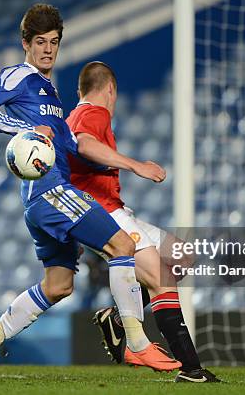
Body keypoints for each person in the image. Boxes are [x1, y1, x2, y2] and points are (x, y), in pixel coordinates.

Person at [0, 4, 180, 382]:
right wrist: (24, 131)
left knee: (59, 285)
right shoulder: (20, 75)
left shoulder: (50, 92)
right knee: (123, 246)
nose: (48, 50)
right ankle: (136, 342)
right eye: (41, 42)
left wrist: (123, 165)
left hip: (41, 198)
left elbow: (68, 145)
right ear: (26, 44)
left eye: (55, 42)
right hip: (49, 191)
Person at [66, 61, 220, 383]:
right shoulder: (93, 113)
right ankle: (191, 369)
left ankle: (119, 322)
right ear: (111, 89)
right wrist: (137, 166)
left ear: (79, 89)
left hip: (111, 209)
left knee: (179, 256)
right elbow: (85, 145)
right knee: (161, 275)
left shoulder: (76, 114)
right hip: (104, 213)